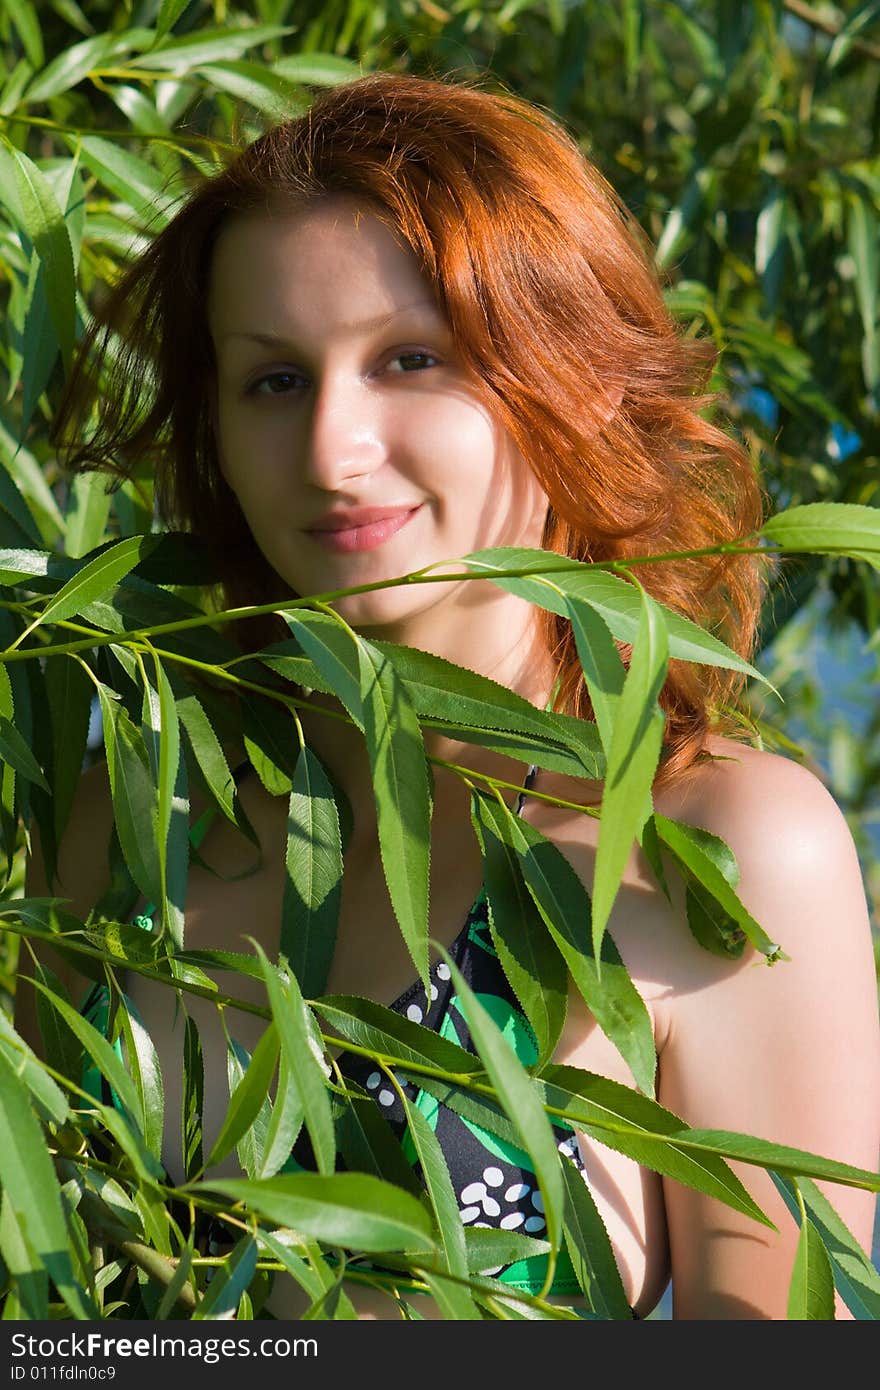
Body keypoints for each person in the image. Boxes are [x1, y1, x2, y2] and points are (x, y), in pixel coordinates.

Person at [17, 71, 880, 1320]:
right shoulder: (124, 828)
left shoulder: (710, 851)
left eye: (410, 359)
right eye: (273, 380)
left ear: (574, 377)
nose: (331, 451)